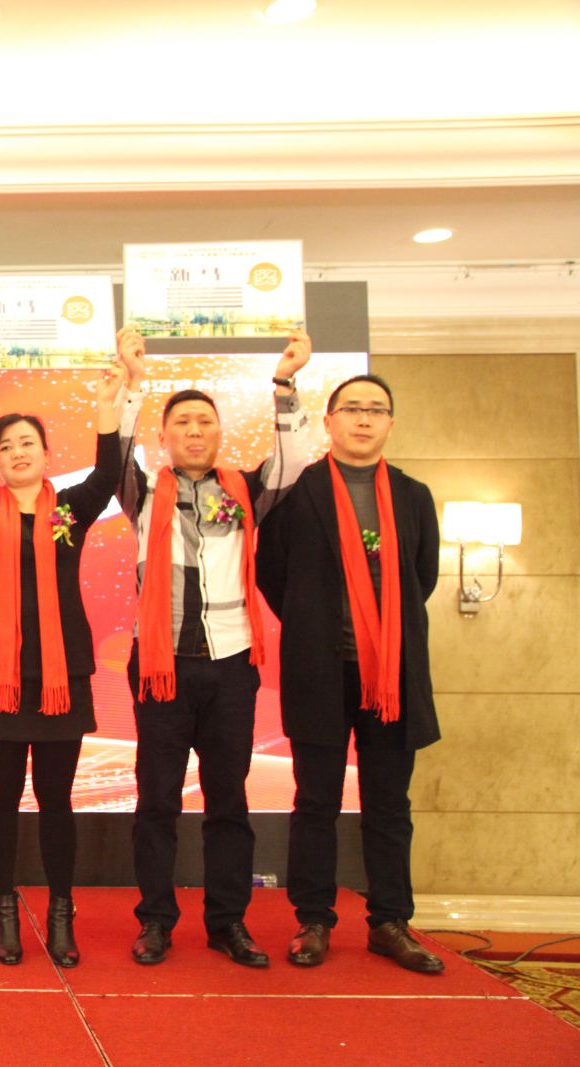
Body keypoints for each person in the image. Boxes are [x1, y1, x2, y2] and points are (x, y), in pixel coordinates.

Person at [117, 326, 314, 968]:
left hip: (231, 666)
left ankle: (228, 923)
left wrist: (284, 383)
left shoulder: (244, 490)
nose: (195, 430)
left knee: (228, 800)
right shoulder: (144, 491)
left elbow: (292, 461)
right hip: (161, 667)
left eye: (205, 421)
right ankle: (155, 922)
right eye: (182, 422)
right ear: (164, 436)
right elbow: (113, 452)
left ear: (220, 432)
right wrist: (133, 383)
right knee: (157, 801)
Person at [0, 359, 128, 966]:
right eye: (6, 446)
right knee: (2, 798)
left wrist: (107, 409)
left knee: (56, 799)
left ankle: (62, 912)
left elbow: (109, 473)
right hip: (0, 679)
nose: (17, 453)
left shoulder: (69, 509)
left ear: (46, 454)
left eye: (27, 443)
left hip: (61, 677)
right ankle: (5, 910)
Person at [256, 374, 445, 974]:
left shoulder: (414, 496)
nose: (364, 419)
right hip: (321, 670)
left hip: (391, 674)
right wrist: (315, 624)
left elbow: (422, 577)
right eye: (353, 409)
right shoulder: (298, 492)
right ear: (330, 420)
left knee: (389, 803)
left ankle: (390, 921)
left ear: (390, 423)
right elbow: (272, 573)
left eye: (377, 410)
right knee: (315, 801)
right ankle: (313, 920)